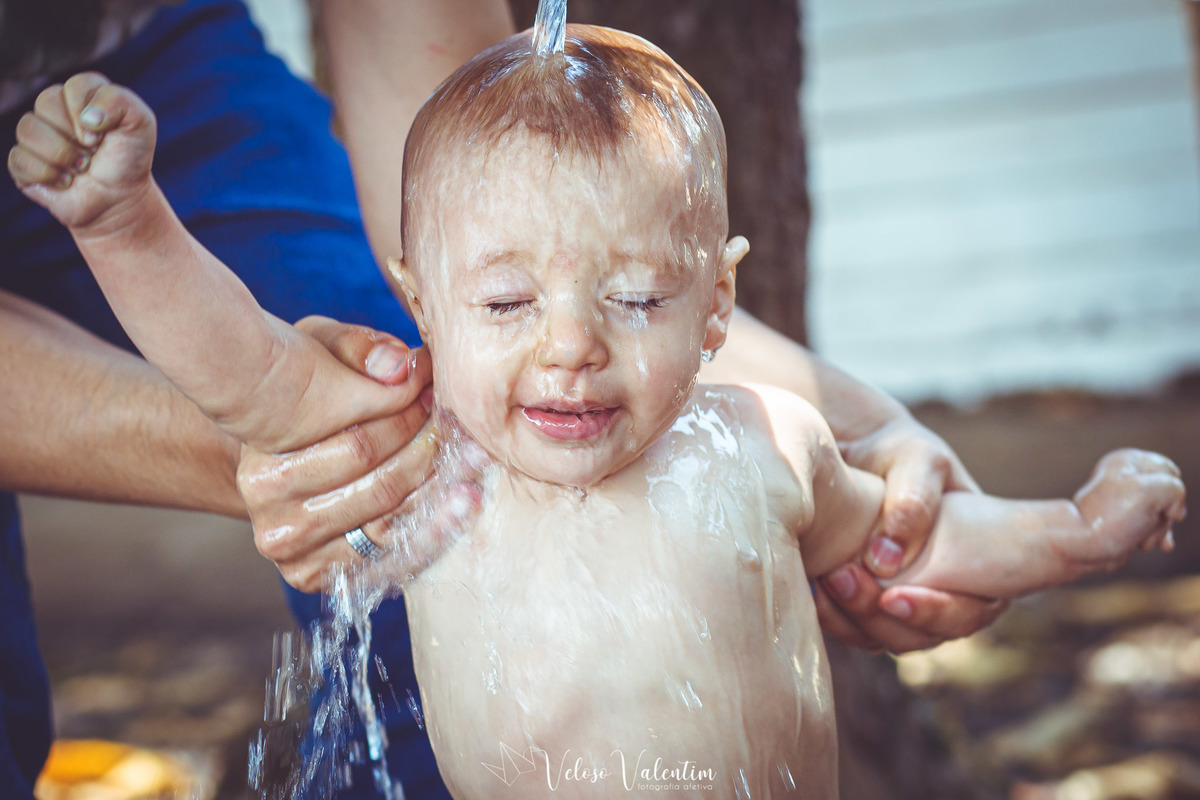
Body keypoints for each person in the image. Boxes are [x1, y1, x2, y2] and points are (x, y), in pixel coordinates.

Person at [11, 24, 1186, 799]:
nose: (569, 346)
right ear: (420, 302)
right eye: (506, 302)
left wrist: (1076, 529)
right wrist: (126, 224)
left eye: (634, 298)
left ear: (715, 305)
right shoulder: (429, 463)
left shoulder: (763, 441)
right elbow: (235, 365)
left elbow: (917, 540)